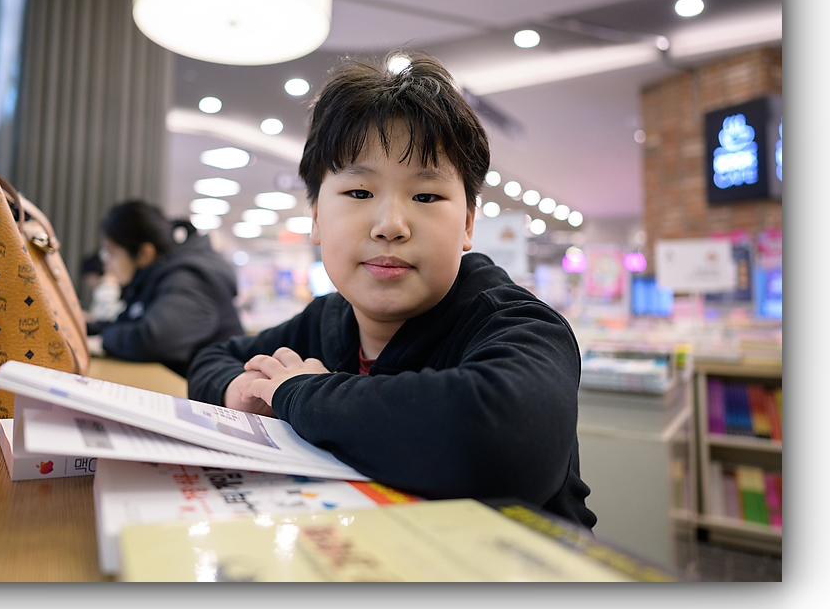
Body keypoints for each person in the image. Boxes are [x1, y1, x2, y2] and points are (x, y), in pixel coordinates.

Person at [187, 54, 596, 528]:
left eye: (426, 196)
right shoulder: (327, 320)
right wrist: (240, 390)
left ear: (467, 224)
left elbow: (503, 443)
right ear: (316, 218)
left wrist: (299, 393)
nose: (390, 225)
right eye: (359, 193)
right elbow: (211, 360)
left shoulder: (517, 323)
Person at [88, 200, 245, 377]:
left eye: (112, 253)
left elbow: (153, 341)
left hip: (209, 388)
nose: (107, 265)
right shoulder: (152, 277)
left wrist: (103, 338)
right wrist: (88, 328)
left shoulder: (188, 277)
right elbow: (129, 324)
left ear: (144, 253)